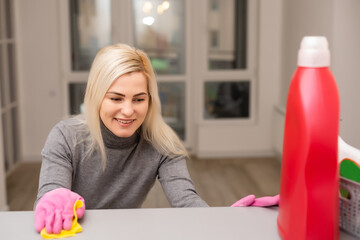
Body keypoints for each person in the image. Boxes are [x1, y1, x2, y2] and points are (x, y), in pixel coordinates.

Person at [34, 43, 279, 235]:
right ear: (96, 97)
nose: (128, 111)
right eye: (116, 98)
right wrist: (54, 197)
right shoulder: (65, 136)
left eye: (139, 99)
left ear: (150, 100)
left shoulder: (162, 144)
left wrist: (225, 220)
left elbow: (186, 202)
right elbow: (48, 196)